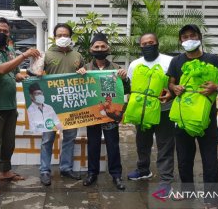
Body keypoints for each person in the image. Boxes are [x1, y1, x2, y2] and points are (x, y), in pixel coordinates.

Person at [167, 24, 218, 209]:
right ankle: (187, 191)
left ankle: (211, 201)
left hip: (207, 119)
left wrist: (216, 87)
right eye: (185, 37)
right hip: (183, 118)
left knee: (210, 160)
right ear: (181, 41)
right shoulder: (176, 61)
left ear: (199, 38)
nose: (189, 40)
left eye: (192, 36)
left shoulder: (213, 59)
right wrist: (175, 88)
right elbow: (170, 83)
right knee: (184, 158)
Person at [0, 17, 40, 195]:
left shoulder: (9, 50)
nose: (2, 34)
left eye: (5, 31)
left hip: (10, 106)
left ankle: (4, 171)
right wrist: (24, 55)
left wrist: (28, 77)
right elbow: (1, 69)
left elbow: (14, 74)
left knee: (8, 143)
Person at [76, 33, 129, 190]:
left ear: (108, 48)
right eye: (96, 47)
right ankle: (92, 173)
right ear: (91, 49)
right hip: (93, 114)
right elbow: (78, 90)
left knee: (113, 144)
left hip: (110, 115)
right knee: (93, 144)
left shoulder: (116, 69)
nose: (100, 49)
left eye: (102, 46)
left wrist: (125, 79)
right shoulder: (84, 69)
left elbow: (126, 90)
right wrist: (79, 77)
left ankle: (116, 175)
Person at [126, 33, 175, 198]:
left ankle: (166, 180)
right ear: (140, 46)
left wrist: (171, 93)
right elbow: (132, 87)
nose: (148, 46)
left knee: (165, 145)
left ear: (157, 43)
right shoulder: (135, 64)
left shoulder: (169, 61)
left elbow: (176, 85)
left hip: (164, 111)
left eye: (151, 43)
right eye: (144, 43)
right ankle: (143, 170)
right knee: (142, 143)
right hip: (142, 112)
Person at [40, 23, 84, 186]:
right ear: (54, 36)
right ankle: (45, 170)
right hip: (50, 105)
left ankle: (66, 168)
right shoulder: (46, 55)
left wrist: (83, 71)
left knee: (70, 138)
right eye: (59, 35)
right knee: (47, 139)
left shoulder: (77, 56)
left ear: (70, 37)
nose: (62, 38)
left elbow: (85, 74)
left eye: (65, 35)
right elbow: (36, 73)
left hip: (71, 105)